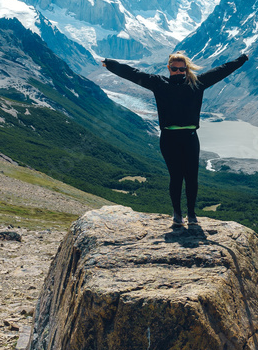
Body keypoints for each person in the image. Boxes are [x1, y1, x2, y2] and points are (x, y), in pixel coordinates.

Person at [102, 50, 249, 227]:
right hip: (169, 138)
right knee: (176, 177)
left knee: (192, 177)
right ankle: (177, 214)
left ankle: (192, 214)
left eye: (182, 69)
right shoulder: (158, 83)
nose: (179, 72)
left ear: (187, 69)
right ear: (168, 68)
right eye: (175, 69)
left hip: (190, 137)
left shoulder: (197, 83)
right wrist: (110, 63)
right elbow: (133, 74)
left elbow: (221, 70)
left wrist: (241, 59)